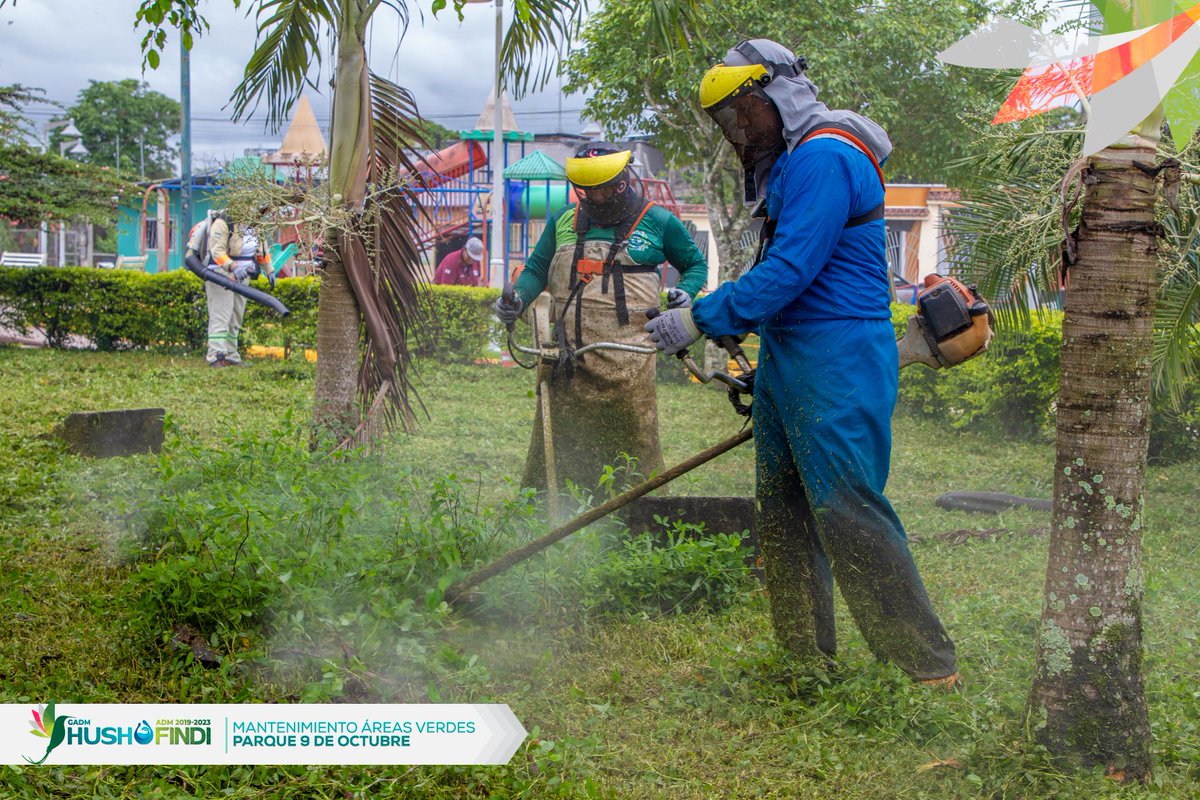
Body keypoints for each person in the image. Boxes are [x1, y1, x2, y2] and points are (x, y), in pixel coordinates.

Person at [644, 39, 958, 686]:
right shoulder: (793, 162)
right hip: (793, 352)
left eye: (741, 113)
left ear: (775, 95)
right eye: (725, 121)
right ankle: (804, 660)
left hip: (839, 351)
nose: (737, 131)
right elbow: (776, 267)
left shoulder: (825, 157)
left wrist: (702, 318)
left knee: (846, 505)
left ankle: (926, 668)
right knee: (782, 506)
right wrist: (707, 305)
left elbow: (791, 271)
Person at [494, 143, 708, 494]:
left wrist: (688, 292)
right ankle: (552, 507)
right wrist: (517, 300)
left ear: (624, 179)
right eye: (589, 192)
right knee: (562, 446)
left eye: (607, 188)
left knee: (632, 451)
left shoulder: (657, 220)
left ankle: (641, 512)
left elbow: (695, 265)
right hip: (568, 361)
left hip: (629, 366)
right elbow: (535, 271)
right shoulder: (564, 220)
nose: (600, 198)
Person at [186, 209, 269, 367]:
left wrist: (269, 270)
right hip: (220, 274)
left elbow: (262, 251)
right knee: (221, 316)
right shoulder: (224, 222)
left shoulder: (257, 225)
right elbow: (217, 251)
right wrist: (232, 267)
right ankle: (216, 356)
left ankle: (231, 355)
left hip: (243, 276)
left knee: (235, 317)